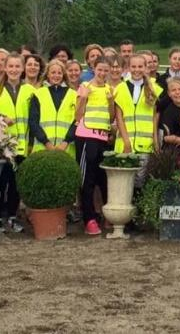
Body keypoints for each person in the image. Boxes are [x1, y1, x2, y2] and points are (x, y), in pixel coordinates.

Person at [0, 52, 35, 234]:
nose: (14, 70)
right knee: (0, 183)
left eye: (17, 66)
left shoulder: (31, 91)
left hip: (21, 146)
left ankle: (12, 217)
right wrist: (0, 119)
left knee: (16, 185)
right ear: (5, 68)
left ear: (22, 69)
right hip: (1, 147)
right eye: (11, 66)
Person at [74, 56, 114, 236]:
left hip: (103, 139)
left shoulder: (109, 89)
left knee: (103, 179)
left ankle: (107, 216)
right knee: (87, 181)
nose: (103, 73)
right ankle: (89, 219)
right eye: (100, 70)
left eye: (106, 70)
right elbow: (77, 116)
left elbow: (111, 117)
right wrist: (83, 99)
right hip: (86, 138)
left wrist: (111, 101)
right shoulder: (85, 87)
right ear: (93, 69)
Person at [113, 54, 161, 185]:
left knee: (140, 182)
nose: (137, 69)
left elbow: (154, 117)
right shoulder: (120, 88)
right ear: (128, 68)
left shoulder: (154, 88)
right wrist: (126, 142)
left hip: (145, 145)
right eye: (133, 66)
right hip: (125, 144)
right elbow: (119, 117)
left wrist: (156, 142)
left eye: (140, 66)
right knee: (124, 182)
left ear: (146, 68)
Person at [29, 59, 77, 157]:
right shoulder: (38, 94)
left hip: (66, 148)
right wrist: (47, 143)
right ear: (47, 75)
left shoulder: (74, 95)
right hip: (42, 147)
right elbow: (33, 121)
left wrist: (66, 142)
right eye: (53, 72)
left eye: (59, 73)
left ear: (63, 75)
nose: (56, 75)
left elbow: (77, 120)